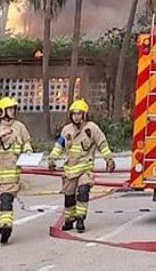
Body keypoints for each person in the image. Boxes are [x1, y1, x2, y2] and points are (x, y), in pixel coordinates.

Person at [49, 99, 115, 233]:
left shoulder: (92, 128)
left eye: (79, 114)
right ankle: (69, 220)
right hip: (70, 170)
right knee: (69, 197)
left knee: (83, 192)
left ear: (85, 115)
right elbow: (59, 146)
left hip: (85, 169)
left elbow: (102, 144)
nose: (76, 116)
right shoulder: (67, 130)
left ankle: (80, 219)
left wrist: (109, 160)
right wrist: (52, 158)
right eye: (74, 114)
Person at [0, 96, 32, 244]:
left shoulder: (19, 127)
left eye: (14, 109)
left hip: (11, 174)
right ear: (1, 111)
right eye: (10, 109)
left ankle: (6, 227)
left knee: (6, 201)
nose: (13, 112)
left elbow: (27, 141)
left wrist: (28, 150)